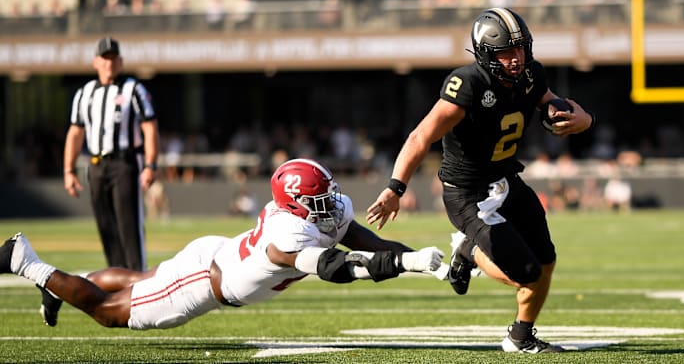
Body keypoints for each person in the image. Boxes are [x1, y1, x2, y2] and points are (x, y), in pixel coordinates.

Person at [366, 7, 595, 354]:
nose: (516, 59)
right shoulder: (469, 85)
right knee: (525, 274)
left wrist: (582, 120)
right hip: (468, 194)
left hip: (507, 181)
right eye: (505, 52)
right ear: (486, 54)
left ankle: (520, 337)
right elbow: (420, 137)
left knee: (546, 260)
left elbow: (554, 104)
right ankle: (468, 250)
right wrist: (395, 187)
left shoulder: (532, 75)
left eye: (520, 49)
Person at [1, 159, 444, 330]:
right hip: (204, 282)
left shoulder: (316, 211)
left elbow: (372, 242)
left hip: (217, 254)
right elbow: (338, 268)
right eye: (319, 199)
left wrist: (421, 261)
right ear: (295, 203)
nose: (331, 204)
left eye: (329, 194)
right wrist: (408, 267)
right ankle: (28, 264)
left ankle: (56, 285)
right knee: (110, 312)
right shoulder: (287, 234)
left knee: (136, 280)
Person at [63, 37, 160, 272]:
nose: (109, 63)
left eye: (113, 58)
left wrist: (150, 165)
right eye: (104, 58)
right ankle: (117, 281)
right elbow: (75, 132)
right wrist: (68, 170)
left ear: (121, 61)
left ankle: (138, 280)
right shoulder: (85, 93)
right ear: (96, 61)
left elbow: (149, 127)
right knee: (106, 226)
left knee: (129, 226)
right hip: (96, 165)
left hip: (124, 163)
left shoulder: (133, 89)